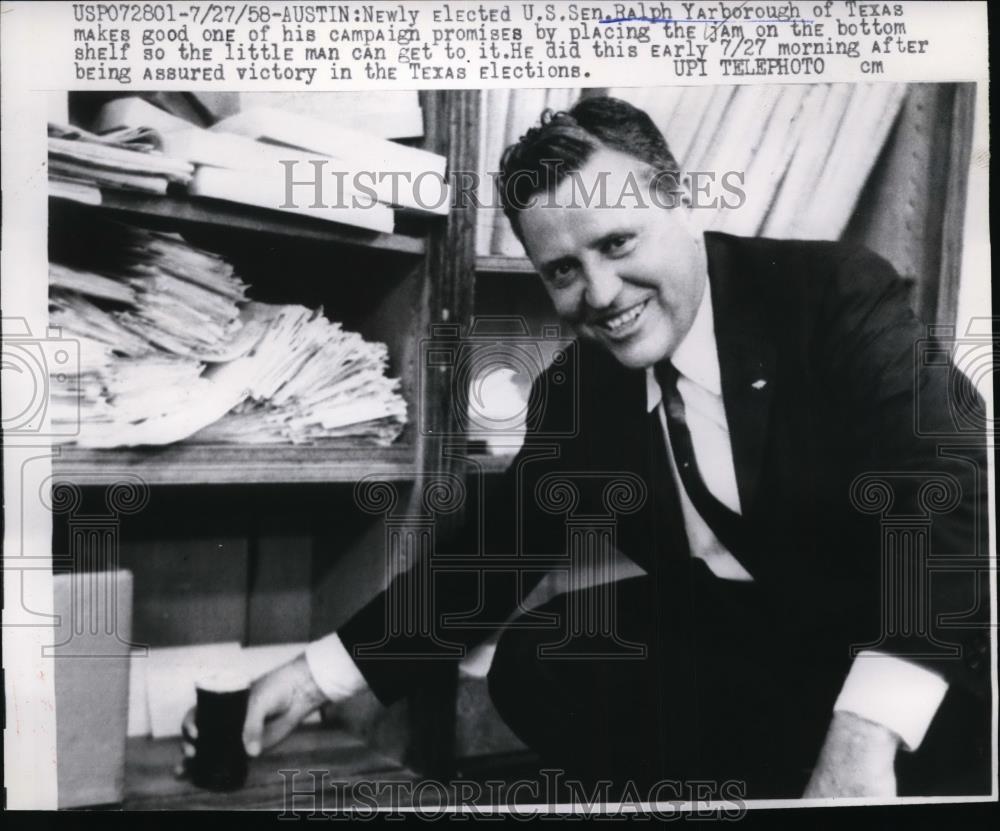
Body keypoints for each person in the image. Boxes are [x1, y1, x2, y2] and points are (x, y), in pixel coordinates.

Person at [181, 97, 990, 799]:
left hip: (913, 646)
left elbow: (951, 490)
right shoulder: (582, 388)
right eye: (562, 269)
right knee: (542, 655)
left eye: (616, 244)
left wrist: (862, 735)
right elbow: (493, 559)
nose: (599, 296)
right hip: (770, 645)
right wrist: (308, 677)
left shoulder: (831, 294)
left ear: (680, 204)